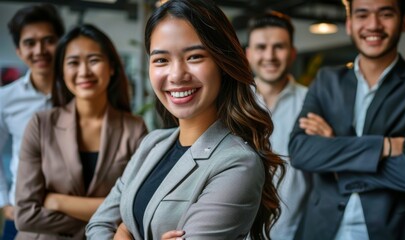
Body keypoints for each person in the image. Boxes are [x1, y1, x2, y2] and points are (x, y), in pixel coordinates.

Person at [86, 0, 284, 239]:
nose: (177, 74)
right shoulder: (152, 143)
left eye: (194, 57)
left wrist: (124, 230)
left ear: (223, 63)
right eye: (161, 60)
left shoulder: (237, 163)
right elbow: (97, 225)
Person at [289, 0, 405, 239]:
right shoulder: (326, 80)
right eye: (363, 14)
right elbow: (301, 152)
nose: (373, 25)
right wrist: (384, 146)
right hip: (321, 227)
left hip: (396, 229)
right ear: (350, 23)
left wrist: (334, 150)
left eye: (385, 14)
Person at [14, 24, 148, 240]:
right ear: (62, 71)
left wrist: (58, 201)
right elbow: (25, 215)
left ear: (112, 67)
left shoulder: (134, 128)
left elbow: (136, 208)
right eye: (73, 63)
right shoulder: (41, 124)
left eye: (94, 60)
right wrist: (101, 222)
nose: (84, 71)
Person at [0, 4, 64, 239]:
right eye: (29, 43)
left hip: (71, 211)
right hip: (21, 211)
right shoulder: (5, 98)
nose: (39, 50)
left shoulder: (79, 94)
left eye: (48, 40)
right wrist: (4, 202)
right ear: (18, 50)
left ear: (61, 42)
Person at [245, 11, 310, 240]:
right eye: (261, 47)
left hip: (297, 233)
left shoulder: (313, 103)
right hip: (238, 233)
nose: (270, 56)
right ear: (249, 54)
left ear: (292, 53)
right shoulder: (232, 106)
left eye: (279, 47)